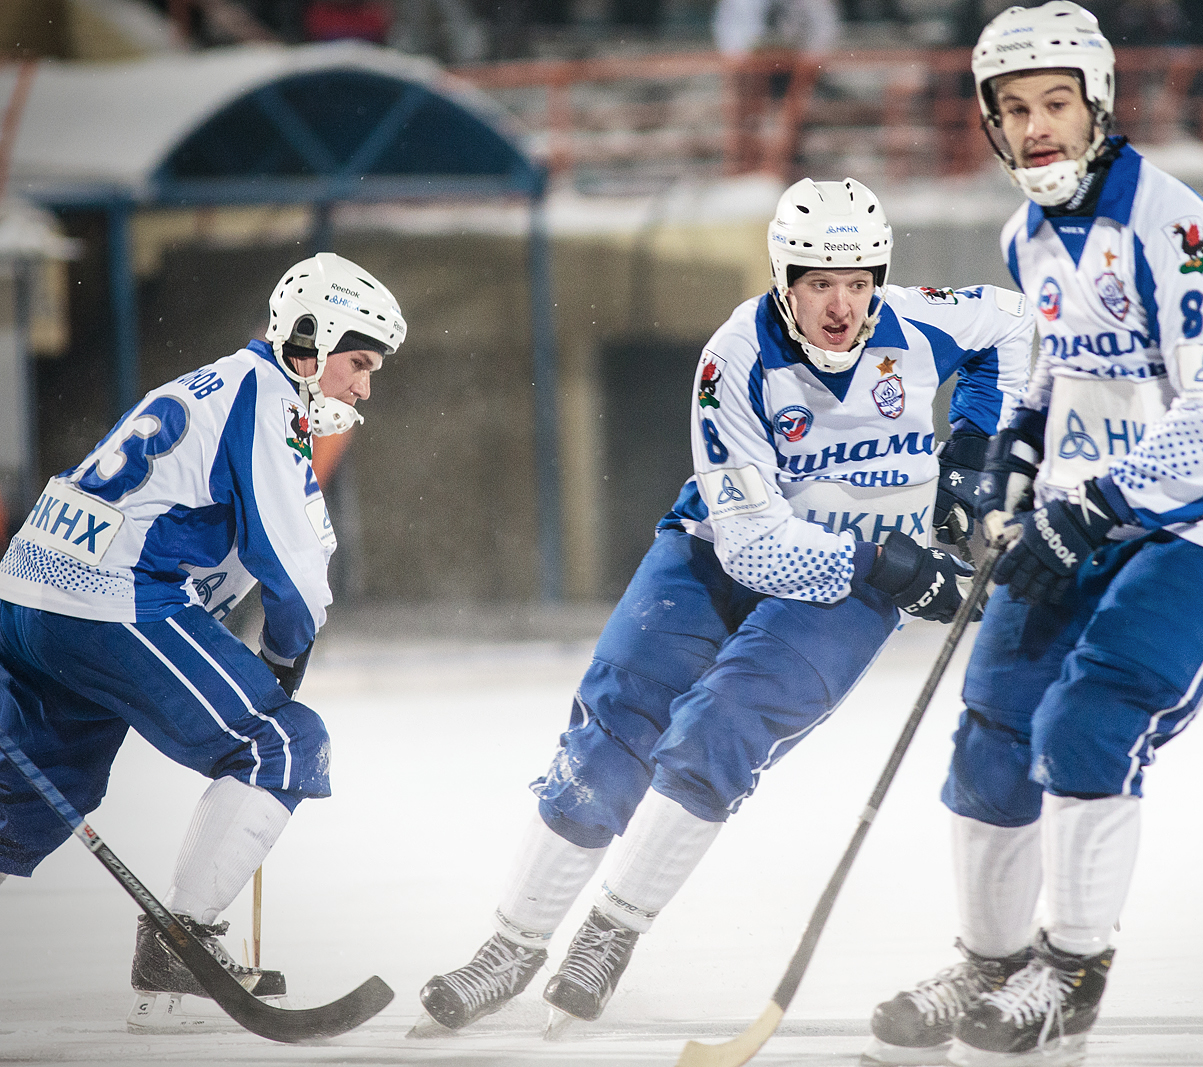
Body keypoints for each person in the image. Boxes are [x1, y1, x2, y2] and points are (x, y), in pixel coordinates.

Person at [416, 177, 1032, 1035]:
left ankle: (611, 930)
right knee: (616, 725)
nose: (841, 305)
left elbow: (1016, 327)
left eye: (859, 282)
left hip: (853, 587)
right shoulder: (735, 356)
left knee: (719, 729)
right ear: (783, 276)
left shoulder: (921, 318)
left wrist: (972, 452)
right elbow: (754, 545)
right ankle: (512, 943)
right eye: (819, 281)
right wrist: (889, 565)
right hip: (727, 547)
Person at [864, 5, 1203, 1065]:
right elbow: (1056, 367)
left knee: (1088, 718)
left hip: (1199, 527)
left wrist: (1092, 505)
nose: (1037, 125)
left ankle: (1072, 971)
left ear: (1096, 106)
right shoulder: (1029, 233)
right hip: (1079, 514)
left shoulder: (1173, 231)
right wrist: (1007, 455)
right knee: (992, 727)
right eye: (1015, 109)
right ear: (992, 125)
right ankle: (991, 963)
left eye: (1056, 103)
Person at [0, 252, 403, 1031]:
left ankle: (176, 953)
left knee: (30, 798)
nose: (363, 386)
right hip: (102, 601)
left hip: (26, 591)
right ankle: (181, 954)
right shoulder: (268, 398)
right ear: (310, 341)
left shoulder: (216, 383)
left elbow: (204, 554)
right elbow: (298, 575)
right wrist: (284, 665)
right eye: (359, 362)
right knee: (282, 743)